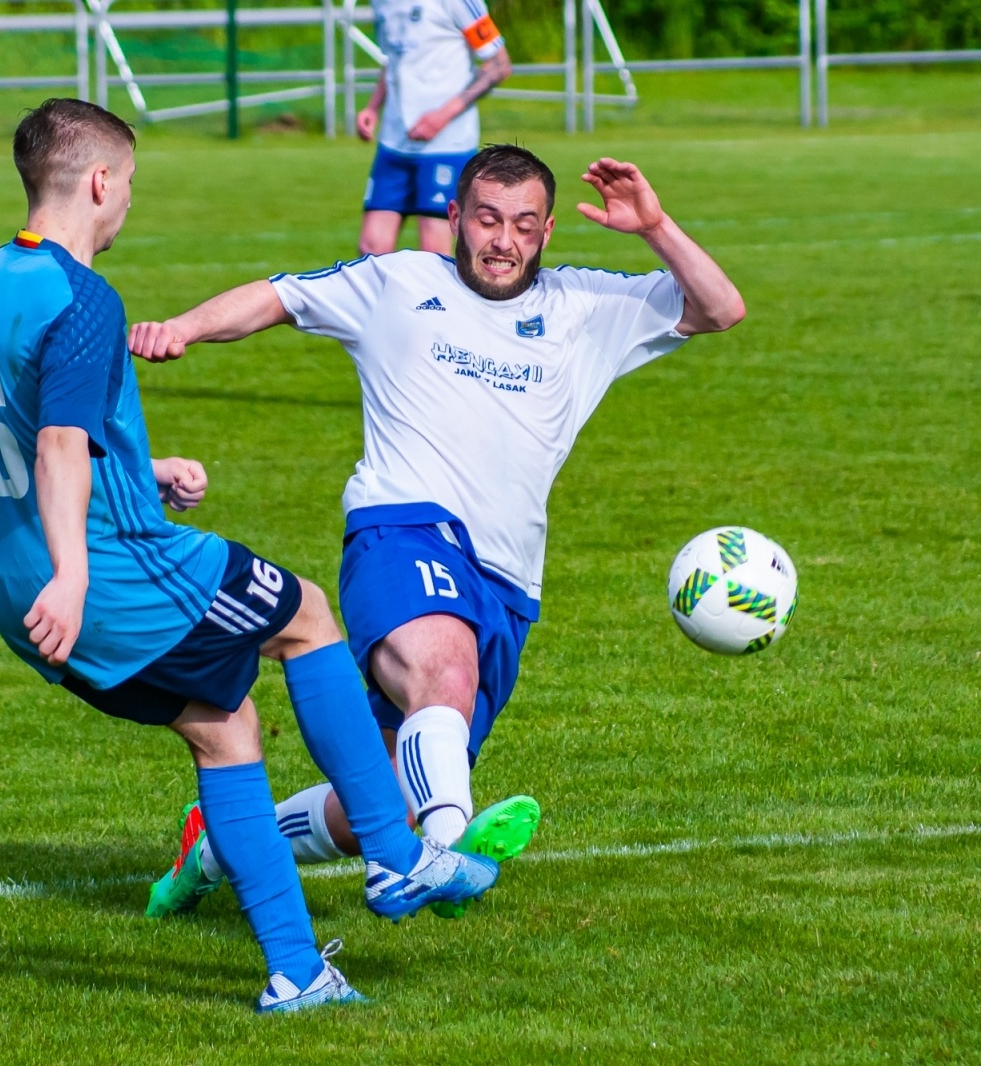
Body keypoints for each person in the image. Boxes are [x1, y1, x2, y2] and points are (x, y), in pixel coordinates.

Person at [0, 98, 498, 1013]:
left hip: (15, 584)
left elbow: (24, 424)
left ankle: (297, 971)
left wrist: (140, 468)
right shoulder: (83, 298)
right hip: (107, 573)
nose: (128, 202)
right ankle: (399, 858)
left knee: (226, 728)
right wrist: (79, 573)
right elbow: (52, 448)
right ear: (98, 182)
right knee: (309, 616)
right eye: (127, 185)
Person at [129, 143, 744, 918]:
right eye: (487, 219)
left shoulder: (586, 308)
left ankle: (214, 850)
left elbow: (721, 309)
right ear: (455, 218)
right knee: (443, 673)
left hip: (510, 580)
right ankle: (437, 857)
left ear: (548, 231)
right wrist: (181, 328)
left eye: (524, 224)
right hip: (401, 527)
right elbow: (276, 297)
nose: (503, 240)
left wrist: (655, 227)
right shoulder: (398, 282)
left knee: (380, 798)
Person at [356, 0, 512, 256]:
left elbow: (498, 65)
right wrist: (373, 107)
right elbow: (395, 57)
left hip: (446, 144)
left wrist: (442, 115)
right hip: (394, 142)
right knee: (371, 249)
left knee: (433, 252)